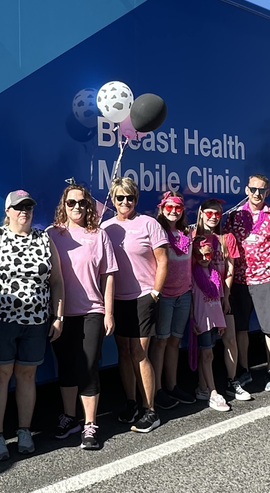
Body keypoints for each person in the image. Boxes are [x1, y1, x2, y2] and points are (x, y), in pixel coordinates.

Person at [0, 190, 66, 461]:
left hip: (36, 323)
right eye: (18, 207)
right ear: (8, 211)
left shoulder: (43, 238)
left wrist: (58, 317)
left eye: (28, 206)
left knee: (27, 377)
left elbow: (57, 281)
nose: (24, 211)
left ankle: (24, 431)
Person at [47, 184, 118, 450]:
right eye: (71, 203)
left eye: (82, 203)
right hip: (61, 314)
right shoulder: (52, 234)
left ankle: (90, 425)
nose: (76, 207)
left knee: (88, 367)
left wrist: (108, 313)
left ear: (89, 206)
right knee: (65, 366)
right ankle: (69, 418)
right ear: (63, 205)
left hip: (92, 311)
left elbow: (108, 274)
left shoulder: (98, 235)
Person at [102, 177, 168, 433]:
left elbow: (163, 260)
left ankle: (150, 410)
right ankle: (131, 403)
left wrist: (155, 293)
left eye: (130, 197)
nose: (125, 202)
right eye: (120, 198)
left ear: (136, 199)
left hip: (143, 296)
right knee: (124, 352)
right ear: (114, 200)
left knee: (140, 353)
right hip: (118, 298)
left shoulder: (148, 223)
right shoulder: (106, 228)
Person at [223, 174, 270, 392]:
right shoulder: (234, 216)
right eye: (253, 189)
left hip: (267, 279)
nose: (257, 194)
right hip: (240, 281)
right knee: (240, 329)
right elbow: (227, 248)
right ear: (246, 190)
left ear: (267, 192)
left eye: (261, 190)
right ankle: (244, 370)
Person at [192, 198, 251, 403]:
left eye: (217, 214)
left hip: (223, 297)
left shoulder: (227, 238)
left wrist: (225, 295)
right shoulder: (194, 237)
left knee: (230, 339)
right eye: (209, 213)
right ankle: (204, 387)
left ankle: (232, 381)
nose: (213, 217)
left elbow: (230, 268)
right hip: (202, 300)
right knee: (205, 345)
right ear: (201, 214)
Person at [150, 190, 196, 410]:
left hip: (184, 295)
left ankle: (172, 385)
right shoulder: (157, 233)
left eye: (178, 208)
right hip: (165, 296)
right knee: (160, 342)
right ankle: (157, 389)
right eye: (169, 207)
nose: (173, 212)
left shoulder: (187, 234)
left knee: (175, 342)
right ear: (162, 208)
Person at [190, 236, 230, 412]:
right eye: (200, 256)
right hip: (201, 320)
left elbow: (218, 300)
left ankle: (202, 387)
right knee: (206, 355)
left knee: (208, 354)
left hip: (214, 320)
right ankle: (213, 393)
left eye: (208, 255)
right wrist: (192, 319)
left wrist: (221, 322)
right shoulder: (192, 274)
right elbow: (191, 300)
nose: (205, 258)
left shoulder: (214, 274)